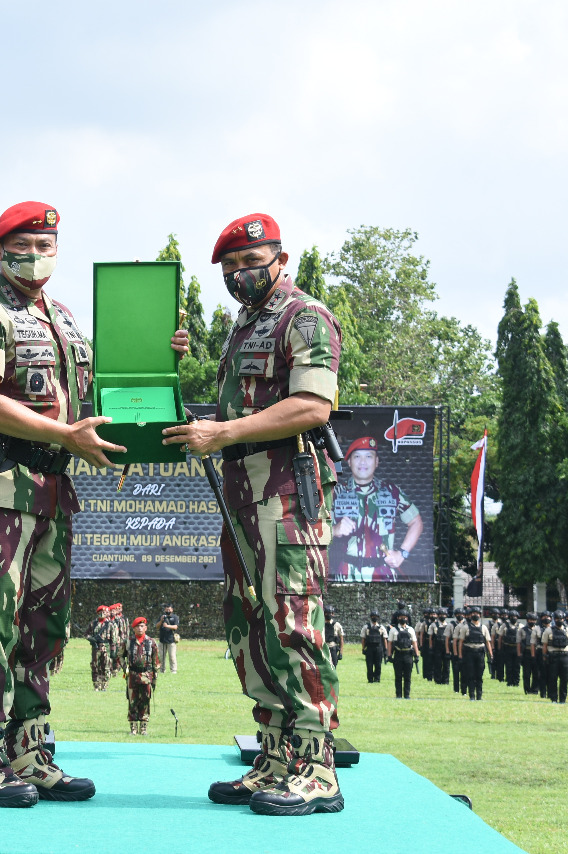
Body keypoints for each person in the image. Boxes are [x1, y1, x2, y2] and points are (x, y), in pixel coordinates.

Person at [0, 202, 153, 807]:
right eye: (25, 245)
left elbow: (98, 391)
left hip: (54, 493)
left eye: (46, 245)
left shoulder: (64, 320)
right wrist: (65, 436)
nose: (36, 256)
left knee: (45, 626)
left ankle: (30, 752)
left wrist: (158, 354)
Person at [161, 213, 343, 817]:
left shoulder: (304, 317)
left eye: (251, 261)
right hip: (243, 489)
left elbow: (312, 405)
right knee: (250, 622)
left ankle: (316, 768)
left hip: (287, 487)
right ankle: (273, 756)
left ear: (280, 258)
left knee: (292, 621)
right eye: (231, 268)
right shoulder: (245, 326)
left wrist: (225, 431)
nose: (241, 274)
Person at [329, 437, 424, 582]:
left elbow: (416, 522)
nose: (363, 462)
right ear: (349, 462)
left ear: (377, 461)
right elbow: (315, 528)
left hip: (384, 574)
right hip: (347, 574)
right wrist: (334, 529)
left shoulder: (392, 491)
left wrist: (402, 553)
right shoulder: (336, 492)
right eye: (357, 457)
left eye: (369, 456)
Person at [125, 617, 160, 735]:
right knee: (132, 701)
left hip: (146, 675)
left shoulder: (151, 642)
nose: (140, 628)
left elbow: (156, 661)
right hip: (133, 676)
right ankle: (133, 728)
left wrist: (155, 677)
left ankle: (143, 727)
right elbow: (119, 655)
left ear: (146, 628)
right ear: (133, 628)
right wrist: (124, 668)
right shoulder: (128, 642)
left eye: (142, 626)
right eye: (137, 626)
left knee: (145, 701)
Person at [457, 606, 493, 701]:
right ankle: (472, 695)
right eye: (473, 613)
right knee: (470, 675)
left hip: (480, 653)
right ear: (470, 615)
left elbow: (488, 642)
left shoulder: (484, 627)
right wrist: (460, 655)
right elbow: (460, 642)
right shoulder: (465, 627)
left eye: (477, 613)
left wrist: (491, 654)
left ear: (480, 615)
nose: (475, 615)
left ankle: (479, 696)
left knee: (479, 675)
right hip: (469, 653)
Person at [541, 611, 568, 704]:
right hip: (553, 656)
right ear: (554, 619)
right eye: (557, 619)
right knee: (552, 678)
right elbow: (545, 645)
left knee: (564, 679)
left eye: (561, 619)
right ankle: (553, 698)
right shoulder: (548, 630)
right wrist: (544, 657)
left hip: (565, 656)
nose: (559, 620)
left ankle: (563, 699)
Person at [388, 610, 418, 699]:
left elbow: (414, 643)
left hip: (408, 654)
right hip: (398, 654)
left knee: (407, 676)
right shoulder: (393, 630)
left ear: (407, 618)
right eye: (401, 617)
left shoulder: (411, 630)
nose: (403, 619)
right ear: (398, 618)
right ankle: (398, 695)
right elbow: (389, 643)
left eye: (404, 617)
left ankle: (407, 695)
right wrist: (389, 655)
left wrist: (417, 655)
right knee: (398, 676)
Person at [89, 605, 113, 691]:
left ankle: (104, 685)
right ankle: (96, 685)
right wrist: (91, 639)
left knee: (106, 666)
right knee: (95, 666)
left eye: (105, 612)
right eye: (101, 612)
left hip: (106, 647)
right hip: (96, 648)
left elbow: (114, 638)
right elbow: (86, 634)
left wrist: (113, 650)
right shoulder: (93, 623)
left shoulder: (110, 624)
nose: (103, 614)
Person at [360, 610, 387, 683]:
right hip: (369, 648)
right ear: (371, 617)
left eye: (376, 617)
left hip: (379, 648)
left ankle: (377, 679)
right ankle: (370, 679)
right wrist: (363, 649)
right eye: (373, 616)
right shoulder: (366, 627)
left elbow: (384, 639)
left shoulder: (381, 627)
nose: (374, 618)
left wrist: (385, 649)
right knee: (369, 665)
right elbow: (363, 639)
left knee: (378, 665)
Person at [158, 605, 180, 674]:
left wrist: (167, 626)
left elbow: (176, 627)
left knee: (172, 656)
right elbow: (157, 626)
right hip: (162, 640)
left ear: (172, 610)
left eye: (169, 609)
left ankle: (173, 670)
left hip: (171, 640)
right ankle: (162, 669)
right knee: (161, 656)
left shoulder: (175, 617)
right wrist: (161, 621)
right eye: (166, 609)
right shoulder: (162, 617)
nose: (168, 611)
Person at [323, 605, 344, 670]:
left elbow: (341, 639)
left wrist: (341, 653)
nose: (328, 615)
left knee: (333, 667)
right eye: (327, 613)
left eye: (330, 613)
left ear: (333, 614)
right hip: (323, 649)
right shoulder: (321, 624)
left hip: (333, 649)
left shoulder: (337, 625)